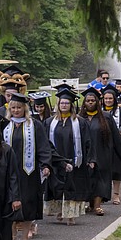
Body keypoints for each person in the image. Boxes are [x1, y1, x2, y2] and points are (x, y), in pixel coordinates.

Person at [4, 93, 52, 240]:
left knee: (27, 204)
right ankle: (11, 236)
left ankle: (25, 238)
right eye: (13, 108)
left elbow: (44, 146)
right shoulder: (4, 124)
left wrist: (45, 164)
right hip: (8, 172)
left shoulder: (35, 125)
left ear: (24, 108)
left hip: (28, 172)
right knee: (9, 204)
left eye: (19, 107)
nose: (16, 110)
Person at [45, 89, 93, 225]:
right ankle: (61, 211)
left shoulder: (80, 122)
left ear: (71, 105)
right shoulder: (50, 122)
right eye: (62, 103)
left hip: (74, 159)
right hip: (56, 160)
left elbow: (88, 141)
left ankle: (71, 215)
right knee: (57, 186)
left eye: (67, 103)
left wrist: (90, 159)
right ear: (58, 105)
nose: (64, 105)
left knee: (72, 186)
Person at [80, 87, 121, 216]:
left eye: (93, 100)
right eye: (88, 101)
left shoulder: (105, 118)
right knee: (88, 179)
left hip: (103, 153)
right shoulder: (79, 119)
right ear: (84, 103)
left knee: (101, 180)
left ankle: (97, 206)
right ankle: (90, 204)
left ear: (97, 102)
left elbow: (116, 138)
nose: (90, 103)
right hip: (85, 155)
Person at [101, 87, 121, 205]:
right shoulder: (99, 110)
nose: (108, 100)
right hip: (102, 144)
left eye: (110, 98)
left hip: (117, 143)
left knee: (117, 170)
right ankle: (102, 194)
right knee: (103, 170)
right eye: (106, 98)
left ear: (114, 99)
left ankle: (116, 195)